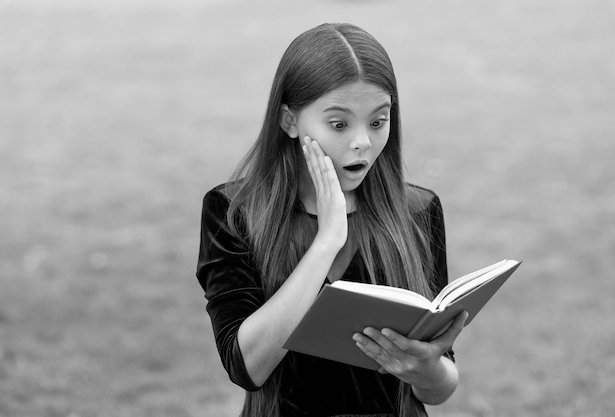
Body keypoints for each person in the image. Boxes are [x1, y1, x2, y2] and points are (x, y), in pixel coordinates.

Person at [196, 22, 468, 417]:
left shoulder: (417, 210)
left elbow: (437, 390)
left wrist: (426, 368)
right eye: (339, 124)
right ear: (290, 121)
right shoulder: (235, 212)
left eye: (378, 121)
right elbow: (246, 366)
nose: (363, 141)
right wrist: (326, 242)